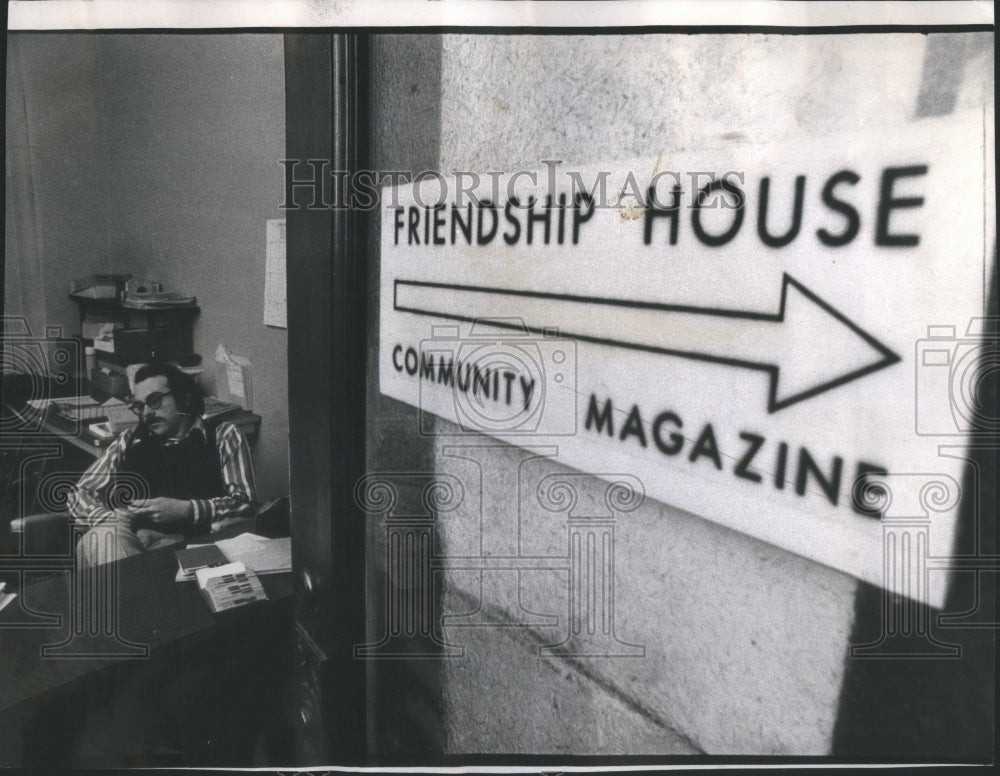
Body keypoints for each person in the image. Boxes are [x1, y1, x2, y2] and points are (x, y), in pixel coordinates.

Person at [69, 361, 256, 568]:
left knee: (117, 559)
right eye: (140, 406)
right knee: (104, 537)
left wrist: (188, 510)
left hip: (191, 547)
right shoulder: (130, 439)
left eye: (155, 401)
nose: (147, 413)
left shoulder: (222, 435)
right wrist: (113, 521)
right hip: (129, 542)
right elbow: (79, 492)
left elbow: (245, 504)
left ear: (183, 398)